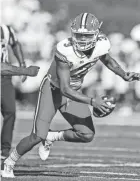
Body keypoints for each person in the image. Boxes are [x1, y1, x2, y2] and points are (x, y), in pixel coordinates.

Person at [1, 13, 140, 178]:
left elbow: (108, 60)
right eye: (79, 35)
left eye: (86, 35)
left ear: (96, 34)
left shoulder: (102, 45)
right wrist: (91, 101)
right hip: (52, 91)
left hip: (73, 92)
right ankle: (8, 163)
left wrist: (123, 74)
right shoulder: (65, 49)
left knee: (87, 134)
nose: (82, 39)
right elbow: (65, 89)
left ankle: (51, 136)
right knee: (36, 136)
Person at [0, 24, 39, 159]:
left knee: (10, 111)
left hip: (5, 79)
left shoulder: (5, 29)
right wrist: (25, 70)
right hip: (3, 72)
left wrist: (22, 62)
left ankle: (4, 152)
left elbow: (15, 44)